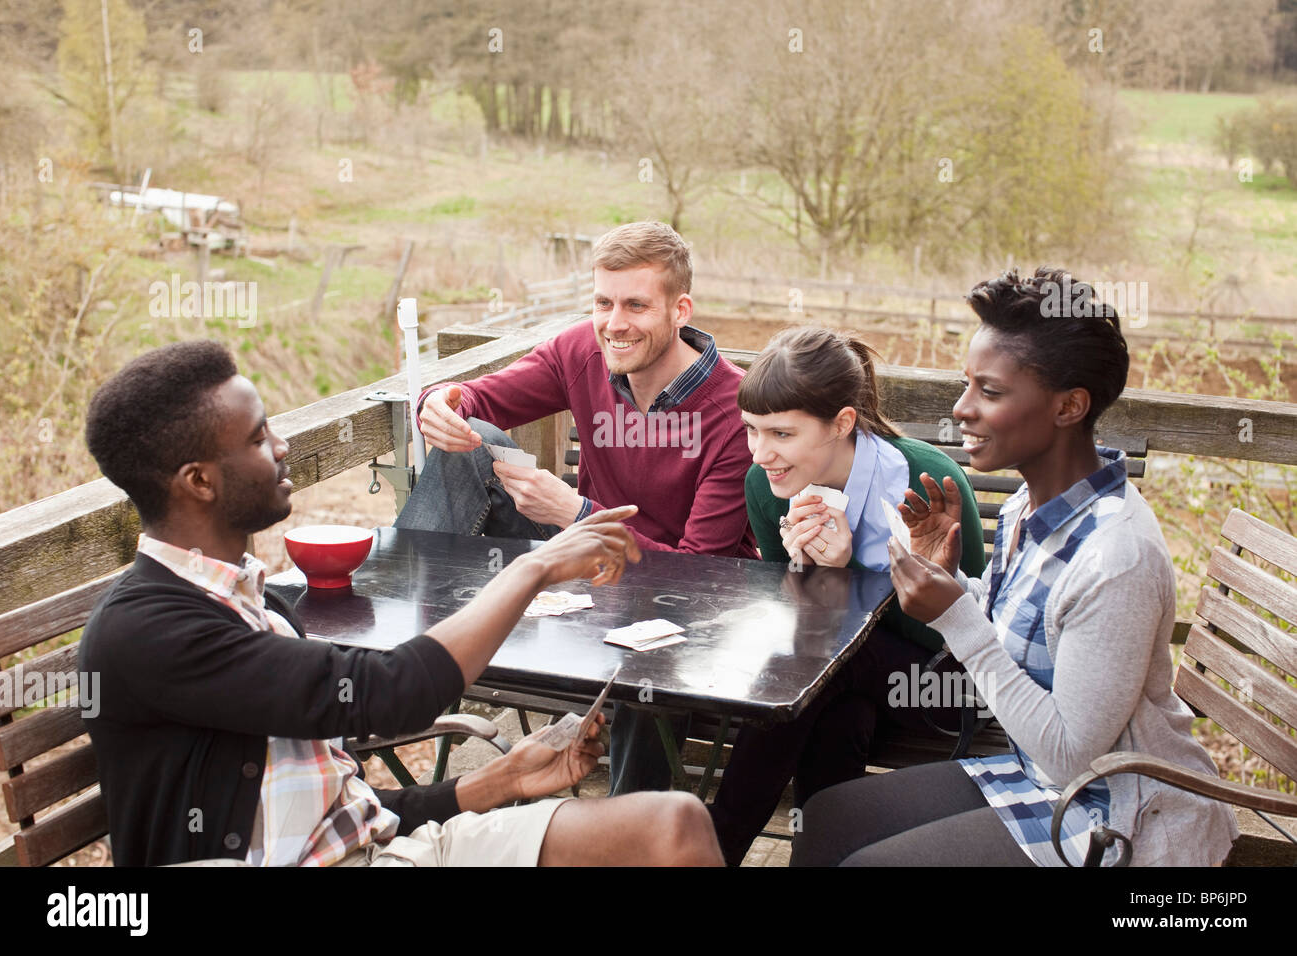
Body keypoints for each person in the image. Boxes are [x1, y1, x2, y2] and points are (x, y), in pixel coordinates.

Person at [78, 340, 723, 867]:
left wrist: (498, 783)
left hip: (387, 851)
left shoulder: (259, 600)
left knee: (674, 825)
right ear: (199, 481)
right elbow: (391, 690)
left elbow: (347, 817)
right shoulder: (147, 629)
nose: (281, 448)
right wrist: (535, 566)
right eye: (256, 438)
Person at [791, 268, 1239, 867]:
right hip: (1042, 779)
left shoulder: (1117, 558)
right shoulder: (1035, 504)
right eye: (966, 385)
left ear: (1069, 407)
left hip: (1118, 813)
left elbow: (1068, 755)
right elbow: (1028, 636)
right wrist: (953, 580)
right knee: (828, 818)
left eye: (990, 392)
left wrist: (955, 615)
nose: (962, 409)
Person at [396, 221, 757, 795]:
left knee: (647, 670)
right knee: (469, 443)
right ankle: (409, 670)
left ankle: (630, 829)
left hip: (678, 602)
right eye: (603, 302)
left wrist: (577, 512)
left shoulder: (734, 412)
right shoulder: (580, 352)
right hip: (580, 567)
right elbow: (477, 398)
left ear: (680, 309)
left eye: (636, 305)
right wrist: (439, 402)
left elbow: (699, 574)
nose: (615, 324)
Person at [705, 327, 987, 866]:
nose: (762, 453)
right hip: (840, 684)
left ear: (843, 422)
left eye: (782, 435)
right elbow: (791, 618)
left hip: (947, 689)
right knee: (839, 716)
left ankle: (714, 849)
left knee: (825, 665)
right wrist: (804, 573)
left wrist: (848, 573)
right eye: (751, 431)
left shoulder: (926, 479)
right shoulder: (766, 487)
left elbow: (969, 630)